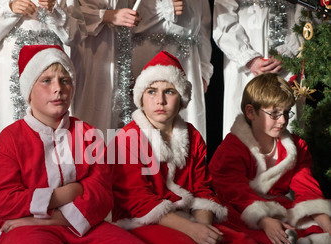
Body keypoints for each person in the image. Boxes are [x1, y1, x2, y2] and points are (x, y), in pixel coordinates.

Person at [0, 44, 165, 244]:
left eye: (65, 80)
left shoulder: (88, 134)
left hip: (80, 225)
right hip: (28, 229)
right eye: (46, 81)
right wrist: (66, 193)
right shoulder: (10, 138)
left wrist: (53, 217)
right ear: (28, 91)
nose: (58, 88)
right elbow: (6, 201)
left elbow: (100, 193)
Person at [111, 50, 267, 244]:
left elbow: (203, 189)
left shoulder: (192, 135)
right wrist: (192, 232)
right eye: (152, 91)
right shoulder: (127, 138)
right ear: (141, 98)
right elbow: (135, 200)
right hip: (143, 222)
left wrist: (203, 227)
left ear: (181, 99)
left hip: (189, 219)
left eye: (169, 91)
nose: (160, 100)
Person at [0, 0, 86, 233]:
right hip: (9, 70)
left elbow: (75, 34)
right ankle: (7, 217)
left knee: (52, 137)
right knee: (11, 135)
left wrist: (56, 10)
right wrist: (9, 10)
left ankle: (54, 211)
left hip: (52, 71)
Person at [209, 73, 331, 244]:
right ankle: (285, 239)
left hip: (279, 207)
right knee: (226, 219)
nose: (282, 121)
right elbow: (233, 191)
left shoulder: (297, 146)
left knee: (312, 216)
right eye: (274, 114)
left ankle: (308, 240)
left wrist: (323, 217)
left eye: (286, 113)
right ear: (251, 112)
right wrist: (263, 219)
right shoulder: (233, 147)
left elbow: (305, 187)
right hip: (242, 206)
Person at [213, 0, 303, 137]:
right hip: (245, 48)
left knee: (286, 114)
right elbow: (223, 12)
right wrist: (248, 58)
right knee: (246, 115)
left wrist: (290, 49)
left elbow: (308, 11)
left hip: (287, 47)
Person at [129, 0, 213, 140]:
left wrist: (205, 70)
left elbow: (204, 26)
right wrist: (161, 9)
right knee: (145, 121)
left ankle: (187, 161)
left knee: (187, 120)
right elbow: (128, 15)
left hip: (187, 58)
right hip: (147, 51)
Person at [71, 0, 140, 134]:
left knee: (119, 111)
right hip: (90, 49)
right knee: (89, 110)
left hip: (121, 48)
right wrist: (106, 15)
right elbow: (68, 14)